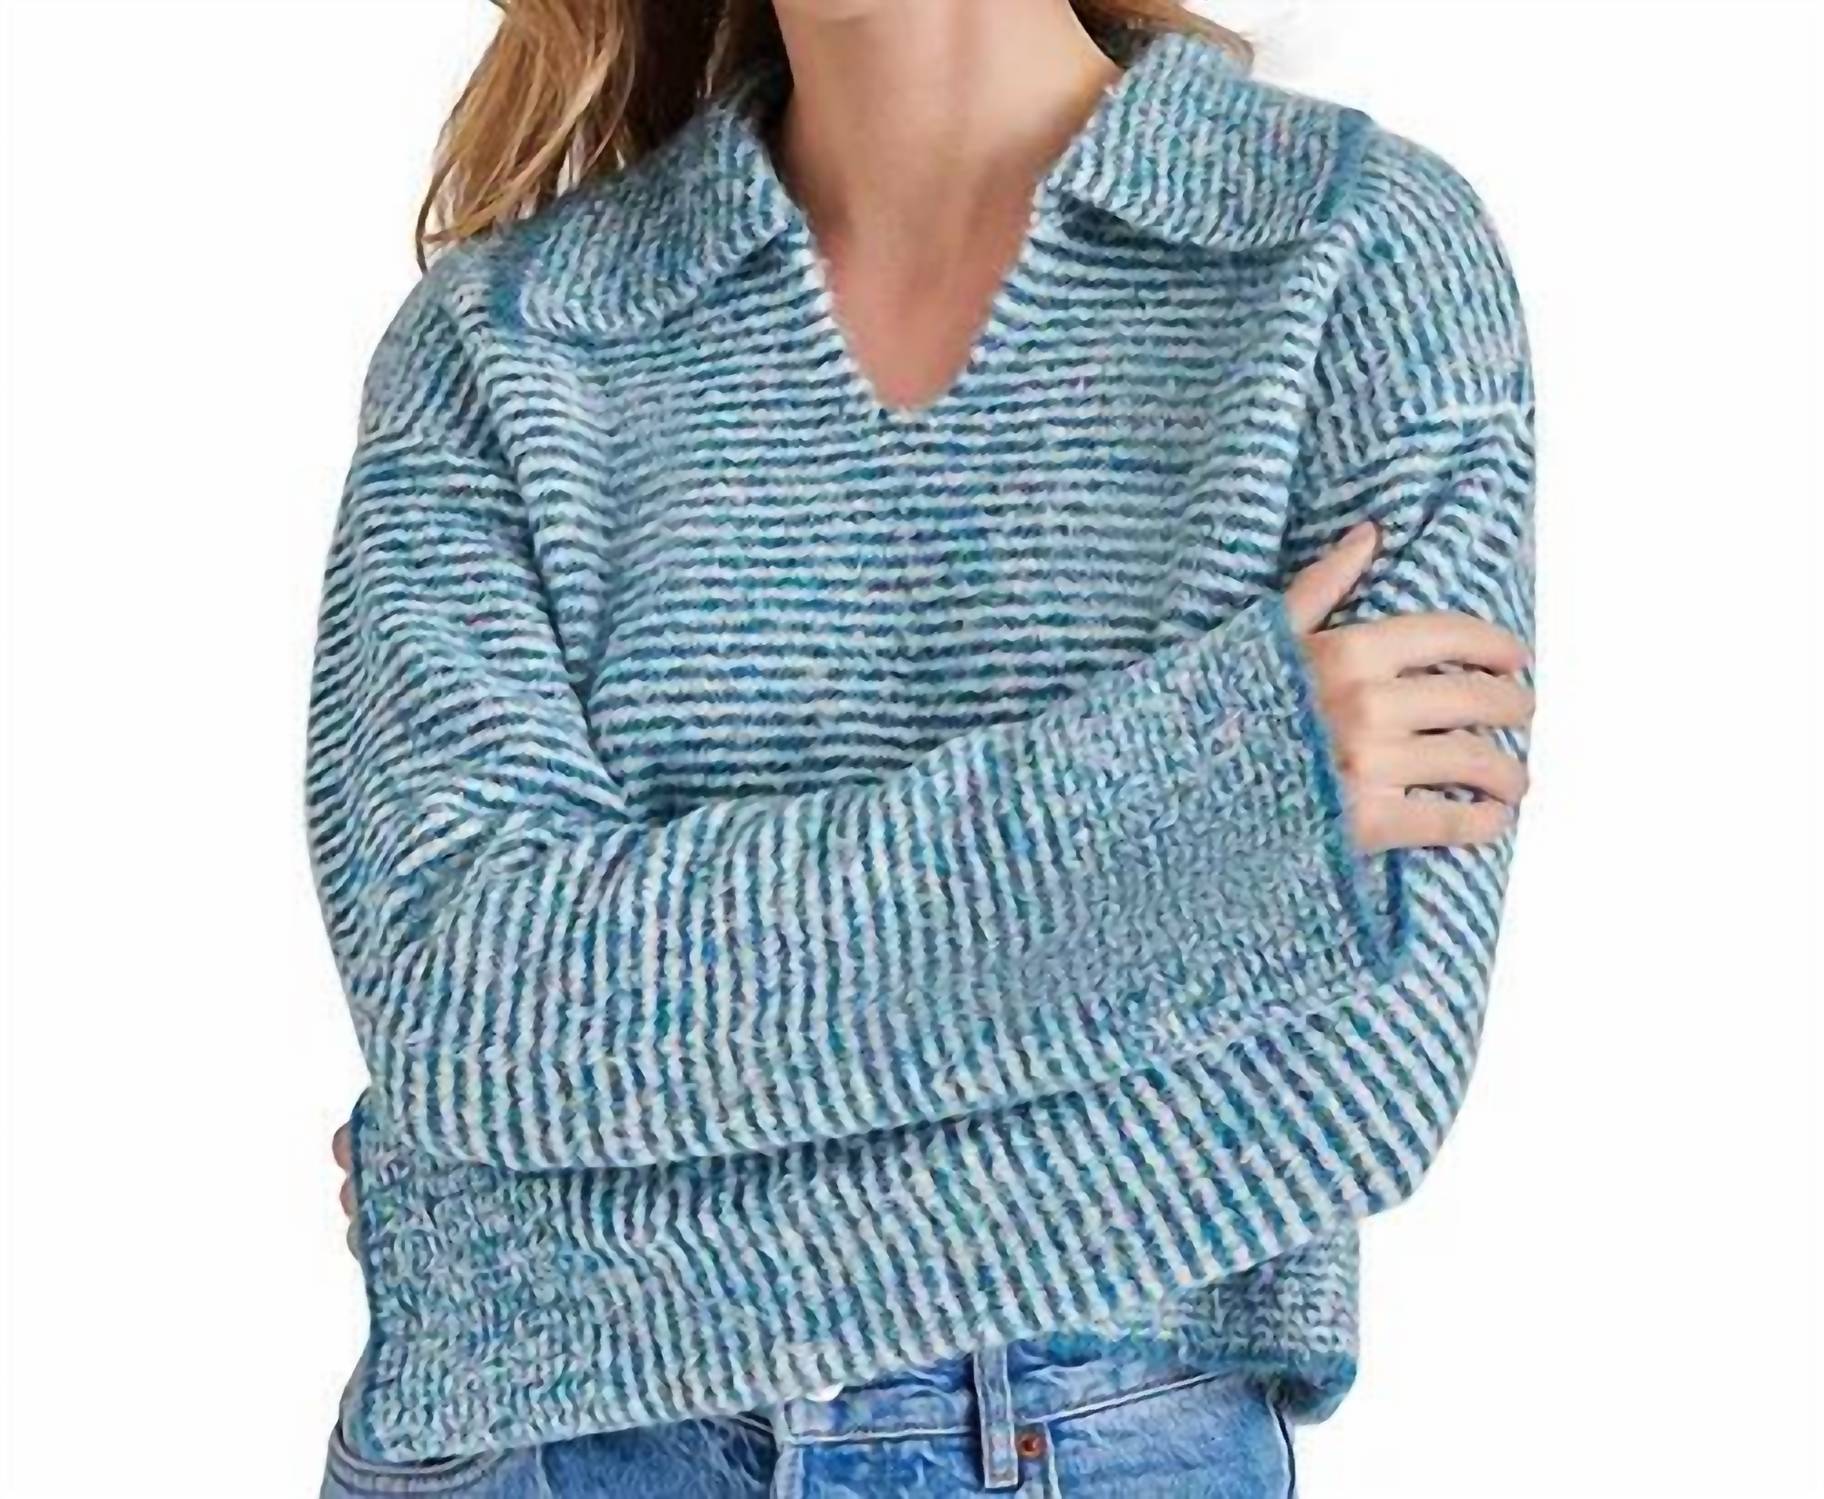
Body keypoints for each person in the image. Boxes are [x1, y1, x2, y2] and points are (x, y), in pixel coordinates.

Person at [306, 1, 1535, 1493]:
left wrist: (530, 1214)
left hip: (1075, 1440)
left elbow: (1352, 1078)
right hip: (542, 1453)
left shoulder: (1347, 249)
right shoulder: (507, 337)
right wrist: (1193, 805)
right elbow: (469, 1010)